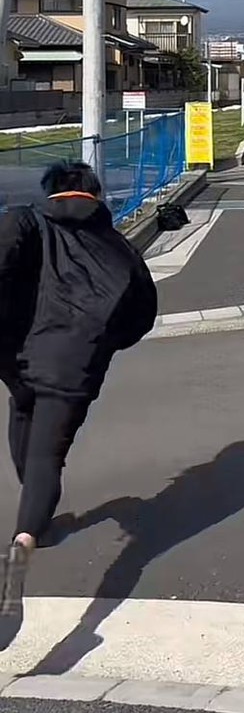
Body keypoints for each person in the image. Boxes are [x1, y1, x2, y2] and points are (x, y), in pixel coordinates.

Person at [0, 160, 157, 616]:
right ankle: (25, 538)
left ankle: (36, 508)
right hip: (74, 364)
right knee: (49, 452)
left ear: (52, 191)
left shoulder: (26, 220)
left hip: (16, 355)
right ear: (94, 194)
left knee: (22, 411)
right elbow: (139, 317)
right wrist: (100, 342)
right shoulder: (119, 247)